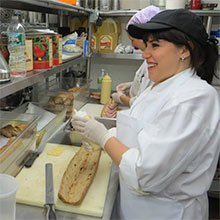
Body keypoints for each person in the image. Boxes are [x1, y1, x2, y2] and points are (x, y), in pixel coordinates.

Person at [72, 9, 220, 220]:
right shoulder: (160, 85)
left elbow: (145, 174)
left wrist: (103, 137)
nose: (145, 53)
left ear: (184, 50)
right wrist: (107, 130)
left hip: (166, 212)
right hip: (139, 207)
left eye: (155, 45)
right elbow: (141, 132)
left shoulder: (194, 99)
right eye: (146, 45)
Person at [111, 6, 160, 108]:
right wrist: (131, 86)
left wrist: (121, 98)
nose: (133, 46)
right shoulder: (148, 59)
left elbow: (145, 105)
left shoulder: (158, 63)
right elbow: (145, 83)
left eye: (132, 40)